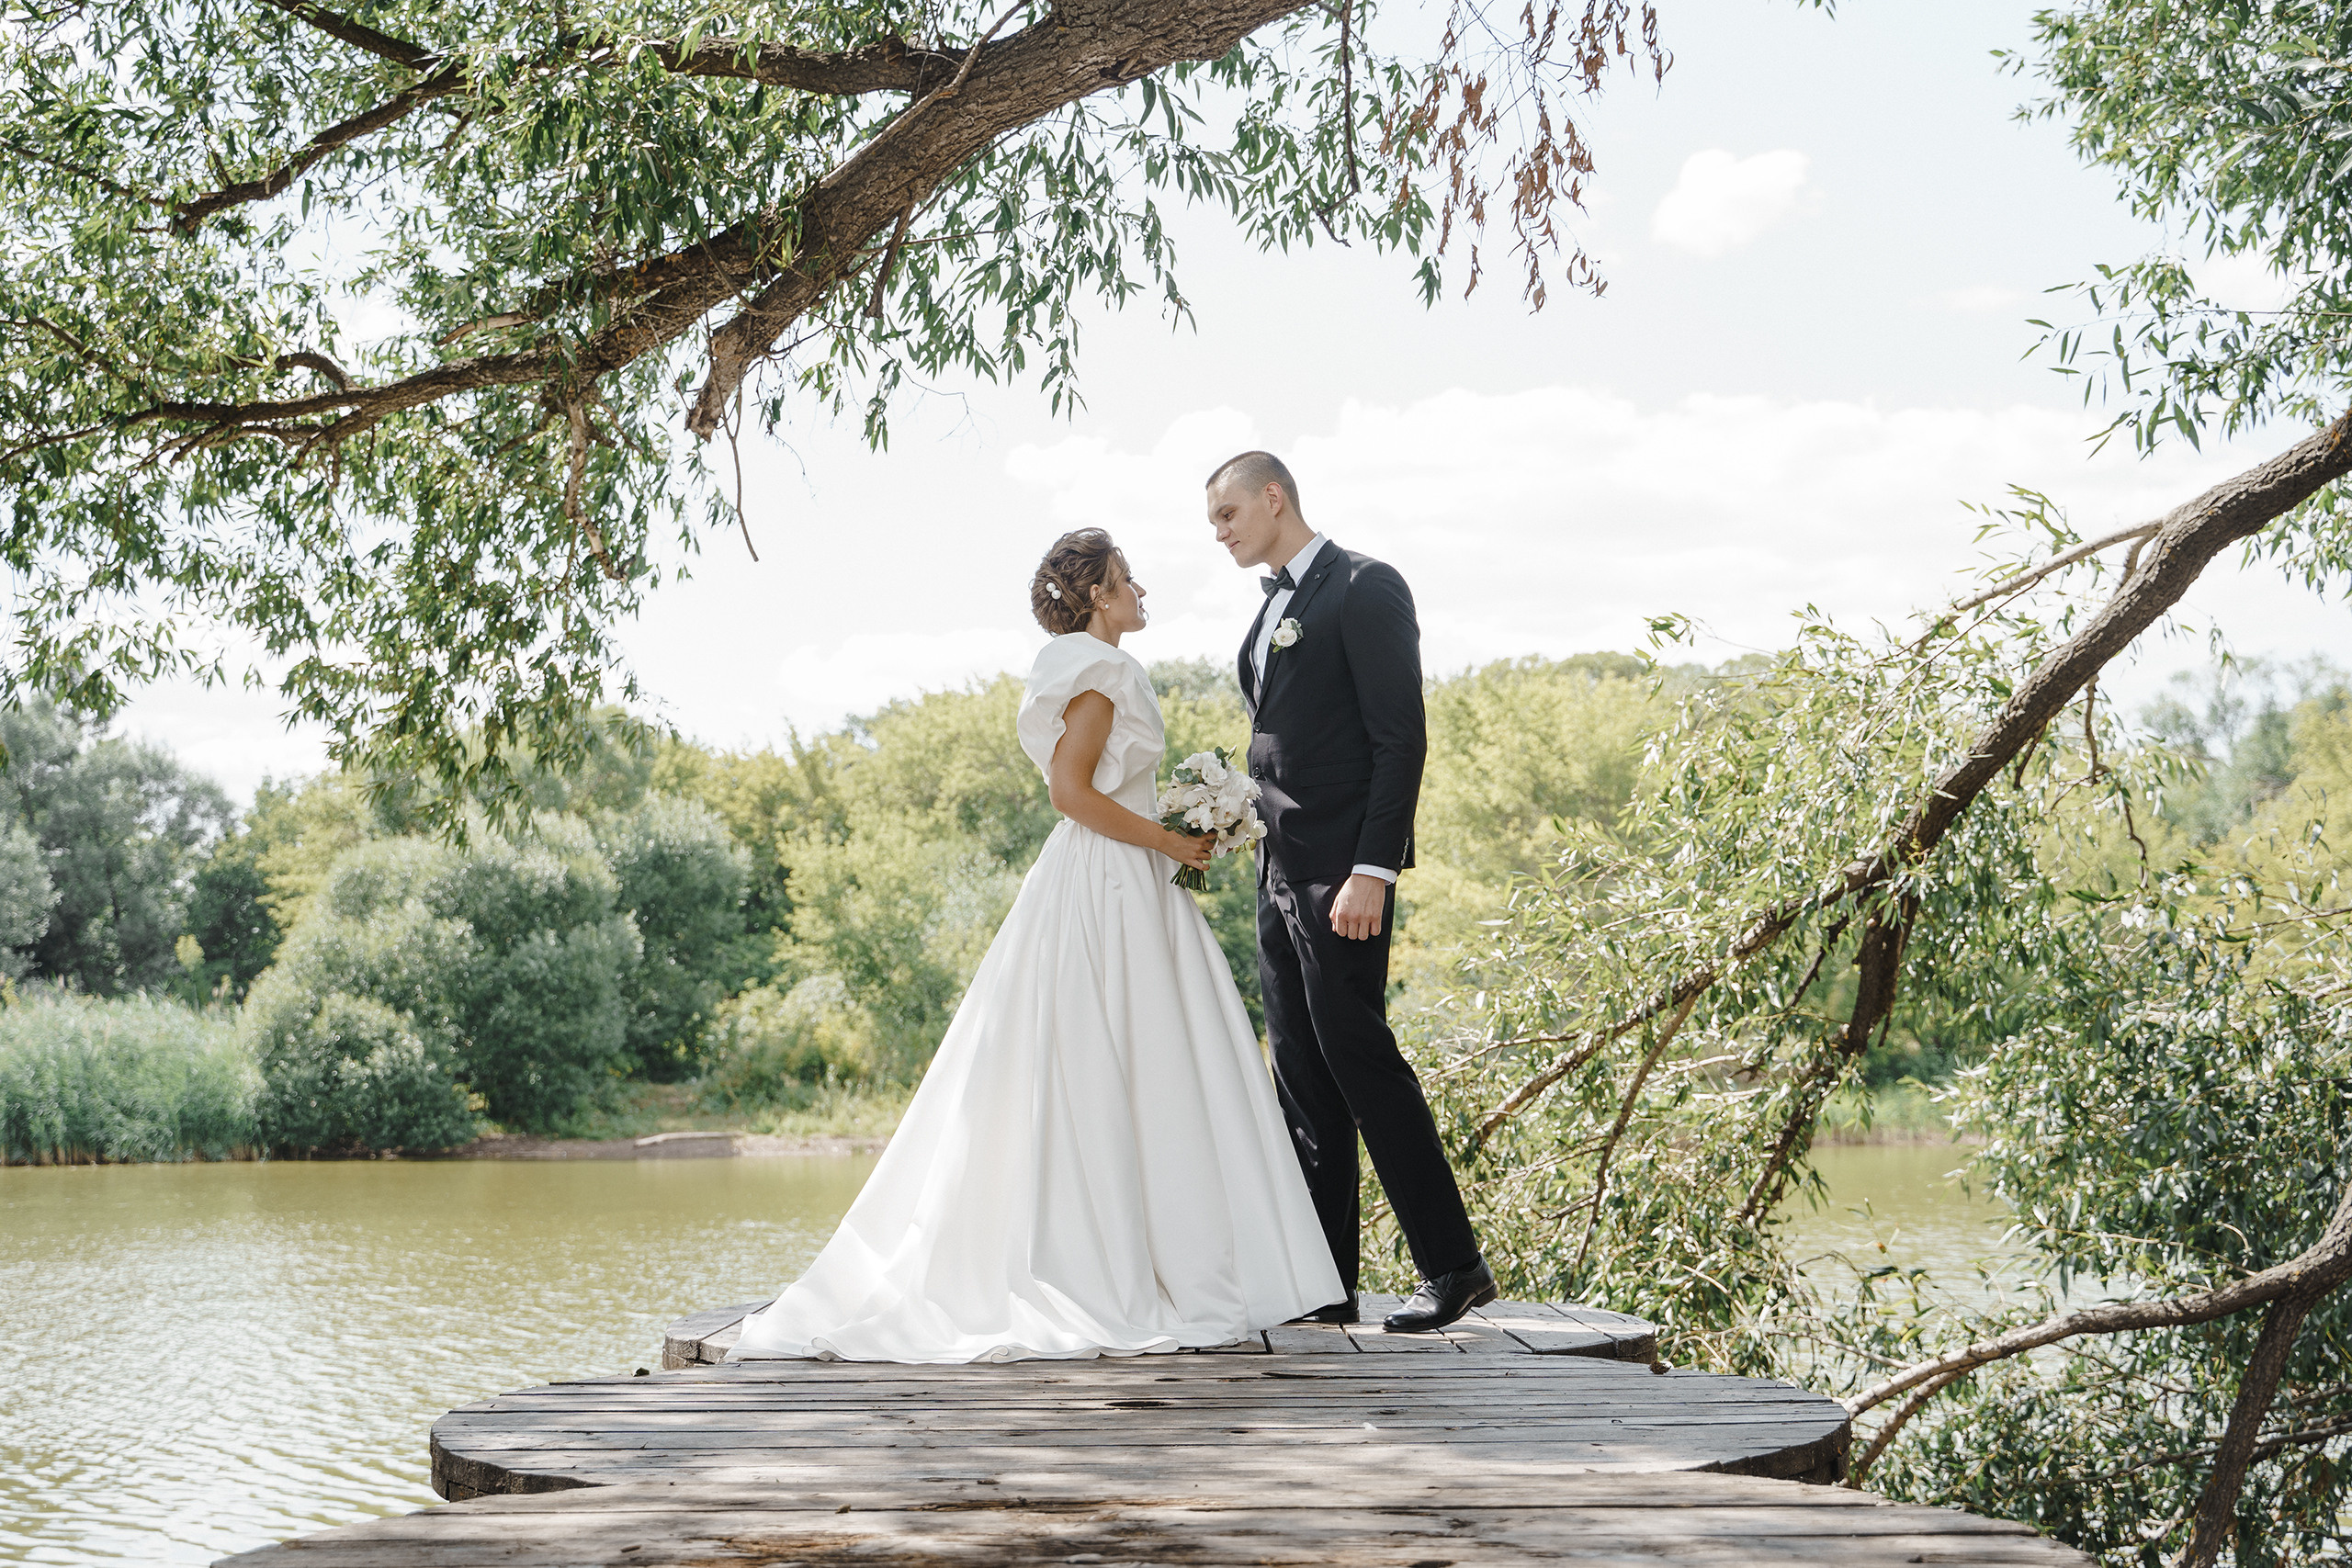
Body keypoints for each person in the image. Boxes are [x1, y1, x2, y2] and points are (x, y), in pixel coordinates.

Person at [728, 528, 1342, 1363]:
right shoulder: (1103, 670)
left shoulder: (1099, 667)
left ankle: (1159, 1257)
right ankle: (1111, 1271)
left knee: (1135, 1064)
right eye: (1127, 580)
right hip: (1111, 880)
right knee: (1116, 1059)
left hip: (1119, 876)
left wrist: (1177, 826)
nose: (1140, 592)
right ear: (1097, 596)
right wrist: (1168, 842)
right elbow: (1069, 793)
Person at [1206, 450, 1495, 1334]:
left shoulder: (1366, 585)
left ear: (1274, 496)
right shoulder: (1271, 610)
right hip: (1277, 869)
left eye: (1226, 514)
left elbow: (1398, 739)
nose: (1219, 533)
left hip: (1342, 874)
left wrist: (1373, 868)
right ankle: (1325, 1284)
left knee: (1358, 1055)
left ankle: (1453, 1263)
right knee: (1301, 1072)